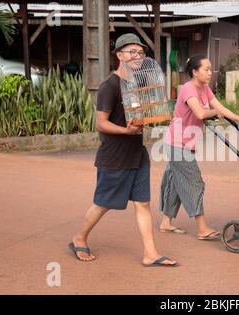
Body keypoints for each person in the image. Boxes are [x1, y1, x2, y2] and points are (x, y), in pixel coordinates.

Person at [69, 33, 178, 267]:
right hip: (115, 156)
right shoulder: (109, 86)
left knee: (142, 203)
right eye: (132, 52)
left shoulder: (136, 83)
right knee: (103, 203)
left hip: (138, 155)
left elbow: (138, 115)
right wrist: (126, 131)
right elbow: (101, 123)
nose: (137, 56)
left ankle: (150, 253)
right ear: (119, 55)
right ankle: (79, 237)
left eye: (140, 52)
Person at [159, 55, 239, 240]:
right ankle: (202, 229)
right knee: (195, 182)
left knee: (175, 181)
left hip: (183, 144)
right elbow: (201, 113)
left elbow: (219, 107)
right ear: (195, 72)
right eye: (206, 69)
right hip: (177, 144)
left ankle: (165, 223)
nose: (210, 72)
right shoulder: (188, 89)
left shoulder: (205, 88)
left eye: (211, 69)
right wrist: (215, 113)